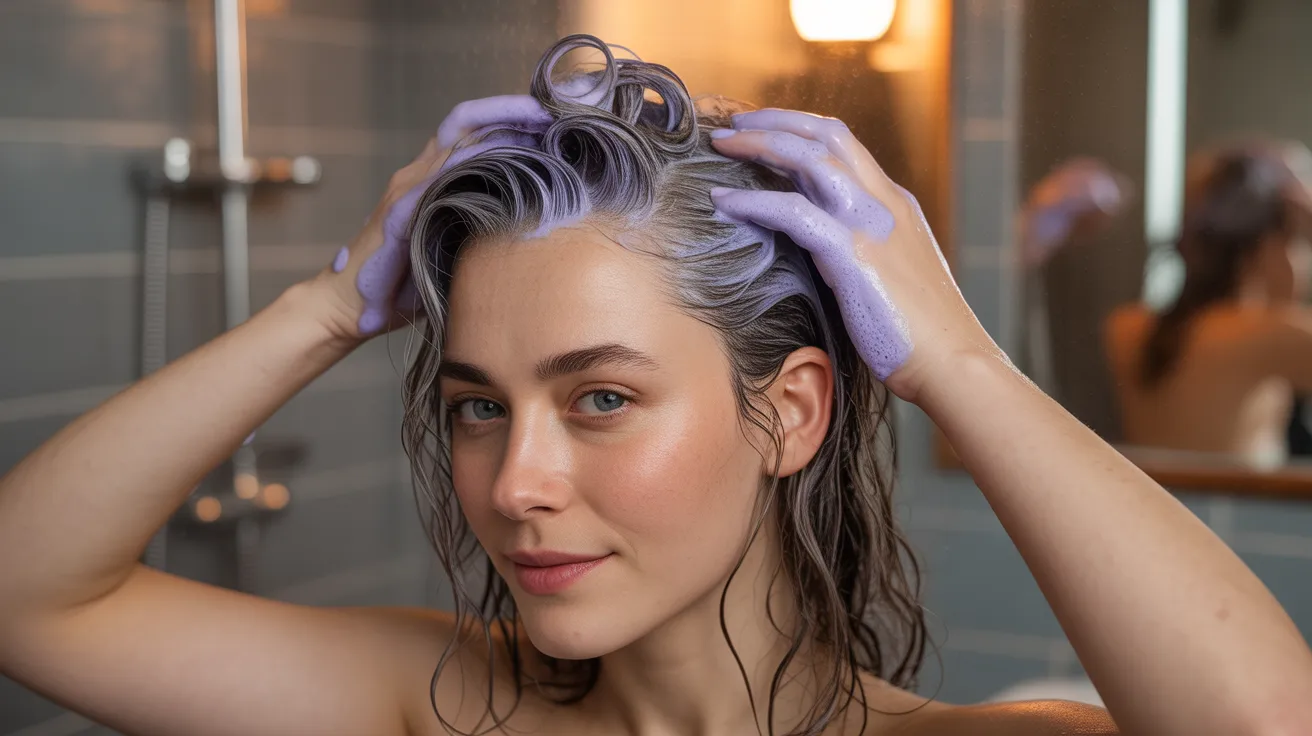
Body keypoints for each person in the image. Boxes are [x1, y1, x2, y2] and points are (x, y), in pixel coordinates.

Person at [2, 35, 1310, 736]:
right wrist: (332, 302)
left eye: (600, 399)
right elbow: (28, 599)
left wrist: (961, 365)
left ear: (789, 411)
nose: (513, 485)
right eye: (477, 404)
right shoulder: (434, 705)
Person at [1106, 143, 1312, 468]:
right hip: (1236, 518)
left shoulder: (1125, 326)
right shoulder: (1274, 337)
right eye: (1299, 240)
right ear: (1269, 246)